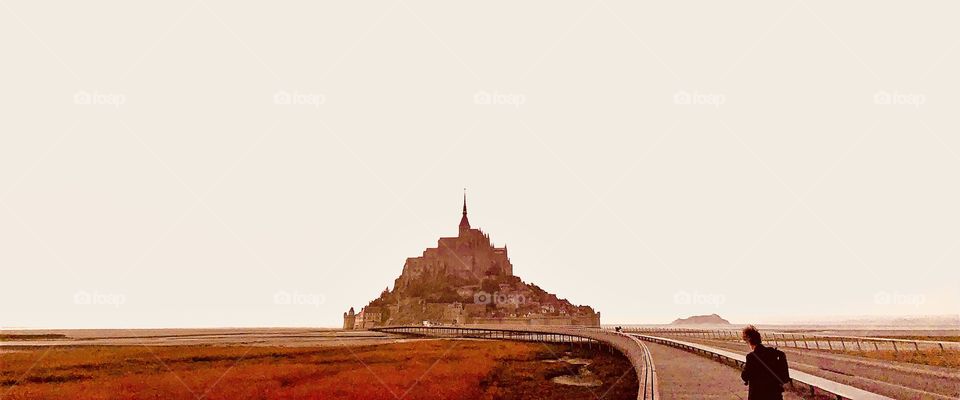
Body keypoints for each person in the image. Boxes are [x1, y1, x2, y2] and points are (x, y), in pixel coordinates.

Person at [741, 325, 790, 400]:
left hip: (758, 395)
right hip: (775, 394)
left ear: (748, 340)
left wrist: (744, 367)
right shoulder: (774, 352)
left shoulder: (751, 357)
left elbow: (745, 376)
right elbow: (784, 376)